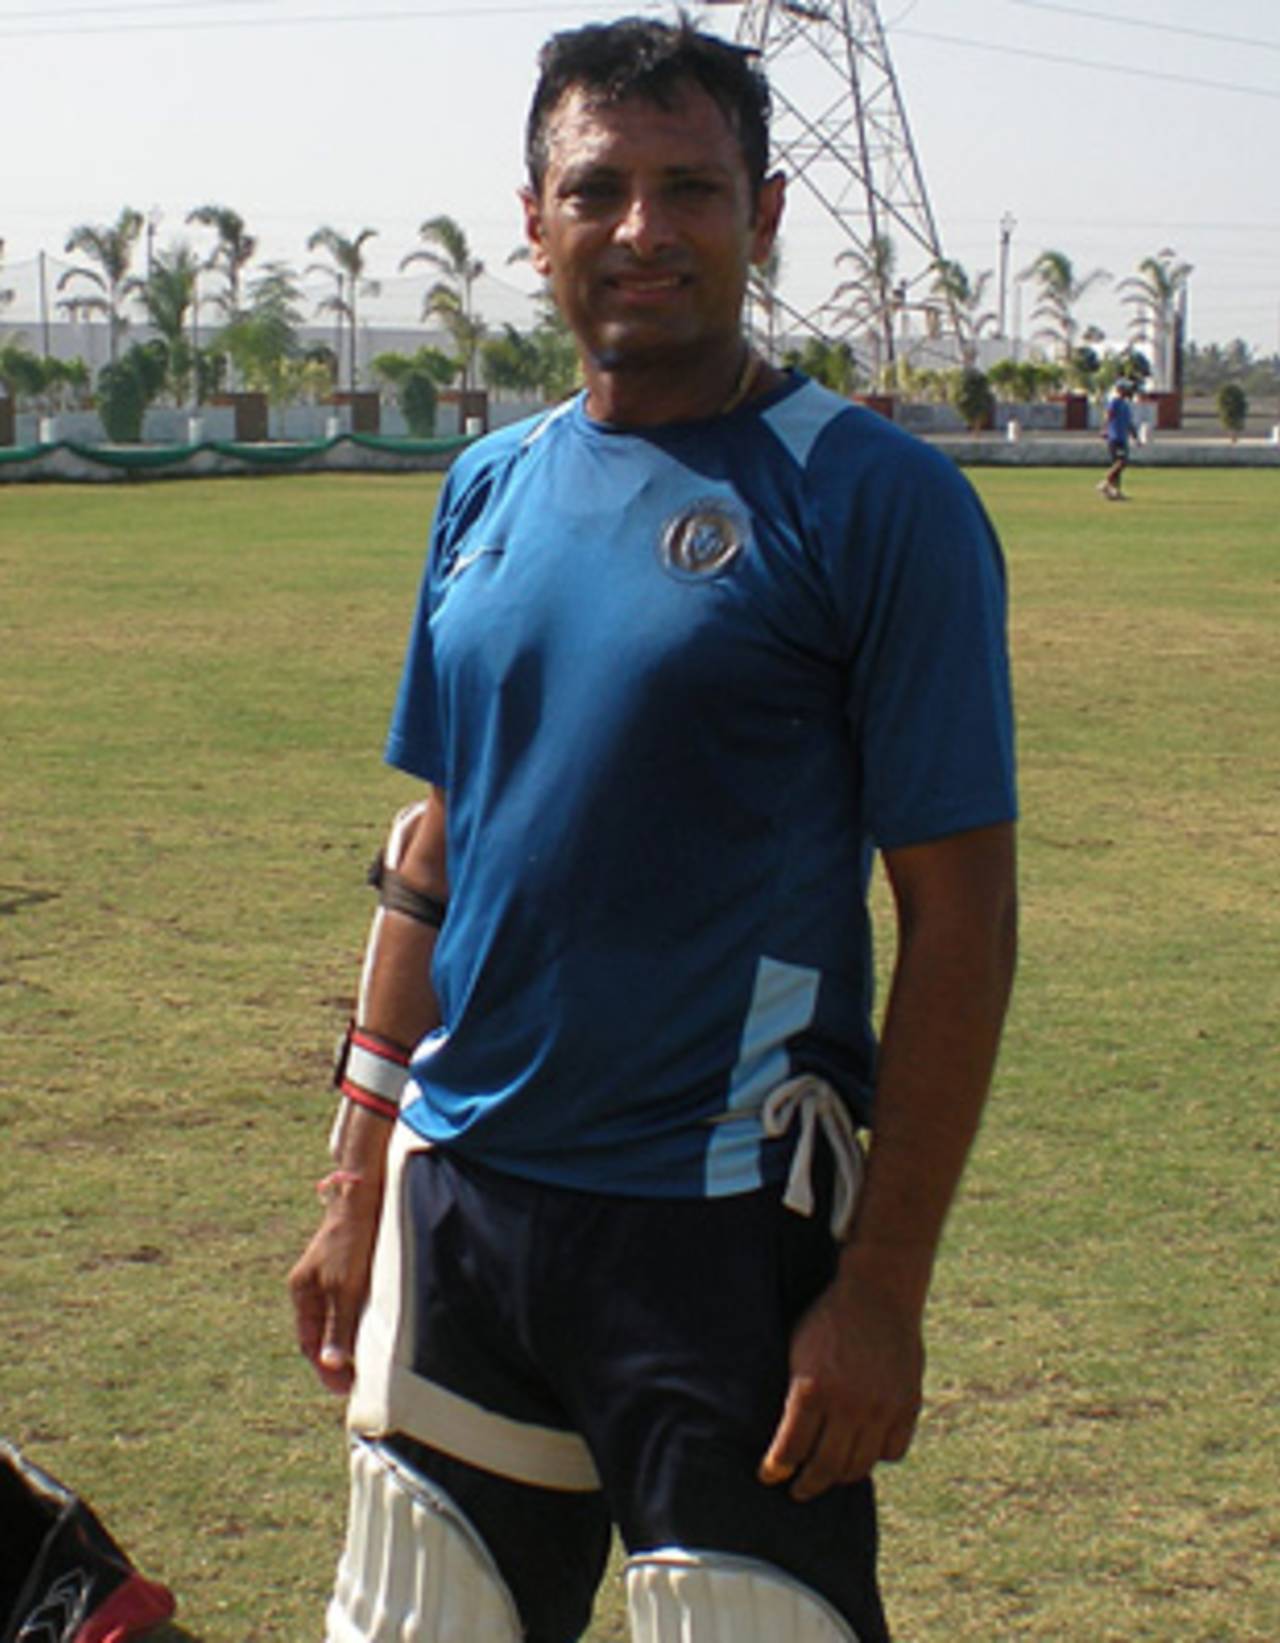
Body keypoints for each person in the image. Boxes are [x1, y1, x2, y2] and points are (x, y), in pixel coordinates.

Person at [289, 16, 1018, 1643]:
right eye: (598, 189)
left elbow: (961, 922)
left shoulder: (877, 501)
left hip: (716, 1235)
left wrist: (883, 1286)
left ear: (762, 216)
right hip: (463, 1200)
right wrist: (355, 1168)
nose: (642, 230)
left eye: (690, 190)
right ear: (534, 219)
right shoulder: (486, 486)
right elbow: (440, 837)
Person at [1099, 377, 1138, 500]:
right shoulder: (1115, 402)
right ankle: (1105, 484)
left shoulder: (1126, 405)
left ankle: (1115, 492)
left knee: (1118, 465)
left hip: (1123, 437)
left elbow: (1129, 423)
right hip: (1115, 437)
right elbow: (1108, 415)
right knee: (1121, 462)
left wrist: (1134, 435)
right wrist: (1104, 429)